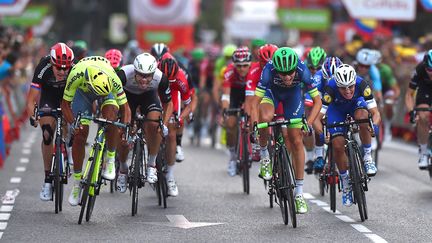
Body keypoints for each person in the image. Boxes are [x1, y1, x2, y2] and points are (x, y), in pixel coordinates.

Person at [254, 47, 322, 214]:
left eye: (290, 73)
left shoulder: (303, 70)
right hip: (272, 94)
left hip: (293, 96)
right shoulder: (268, 70)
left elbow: (317, 101)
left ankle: (299, 194)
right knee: (265, 118)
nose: (287, 77)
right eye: (283, 74)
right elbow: (254, 102)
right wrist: (255, 123)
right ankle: (265, 158)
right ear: (276, 69)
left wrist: (309, 122)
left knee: (296, 139)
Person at [61, 56, 131, 205]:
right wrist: (73, 124)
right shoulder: (75, 75)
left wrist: (124, 129)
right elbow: (65, 104)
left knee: (111, 119)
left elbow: (126, 108)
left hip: (107, 89)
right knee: (80, 135)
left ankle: (110, 159)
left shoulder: (113, 79)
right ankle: (77, 183)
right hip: (83, 92)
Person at [314, 64, 380, 206]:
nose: (348, 91)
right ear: (337, 85)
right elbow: (317, 119)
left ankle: (367, 157)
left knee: (363, 118)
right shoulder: (330, 89)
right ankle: (345, 184)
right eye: (343, 88)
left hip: (356, 105)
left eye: (350, 86)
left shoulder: (362, 84)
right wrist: (323, 133)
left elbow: (375, 113)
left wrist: (373, 126)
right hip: (336, 110)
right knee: (337, 144)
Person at [115, 53, 172, 192]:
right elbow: (112, 98)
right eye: (140, 75)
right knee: (123, 133)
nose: (144, 80)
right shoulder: (123, 75)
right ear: (134, 71)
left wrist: (163, 124)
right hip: (127, 97)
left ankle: (151, 165)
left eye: (148, 76)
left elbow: (168, 103)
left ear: (154, 73)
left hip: (149, 97)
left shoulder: (161, 78)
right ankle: (122, 169)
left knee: (154, 124)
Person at [27, 42, 74, 201]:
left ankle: (68, 145)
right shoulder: (43, 67)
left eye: (65, 68)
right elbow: (32, 98)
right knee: (47, 133)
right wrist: (33, 115)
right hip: (49, 97)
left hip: (67, 98)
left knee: (72, 123)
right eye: (58, 68)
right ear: (52, 64)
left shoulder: (74, 70)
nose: (62, 71)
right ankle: (47, 179)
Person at [158, 57, 193, 196]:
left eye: (171, 80)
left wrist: (180, 118)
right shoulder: (153, 74)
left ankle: (170, 176)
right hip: (155, 94)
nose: (169, 82)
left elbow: (188, 105)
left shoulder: (181, 79)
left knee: (171, 134)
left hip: (172, 99)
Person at [221, 46, 257, 176]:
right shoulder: (229, 71)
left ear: (250, 64)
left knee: (253, 115)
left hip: (251, 93)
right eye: (239, 66)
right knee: (230, 124)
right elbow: (225, 95)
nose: (242, 69)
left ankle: (253, 143)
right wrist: (225, 110)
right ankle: (232, 157)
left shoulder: (254, 70)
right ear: (234, 64)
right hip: (235, 94)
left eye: (245, 65)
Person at [405, 49, 432, 169]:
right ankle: (423, 151)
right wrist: (411, 112)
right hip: (425, 89)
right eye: (429, 70)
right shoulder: (419, 69)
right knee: (423, 115)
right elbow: (409, 94)